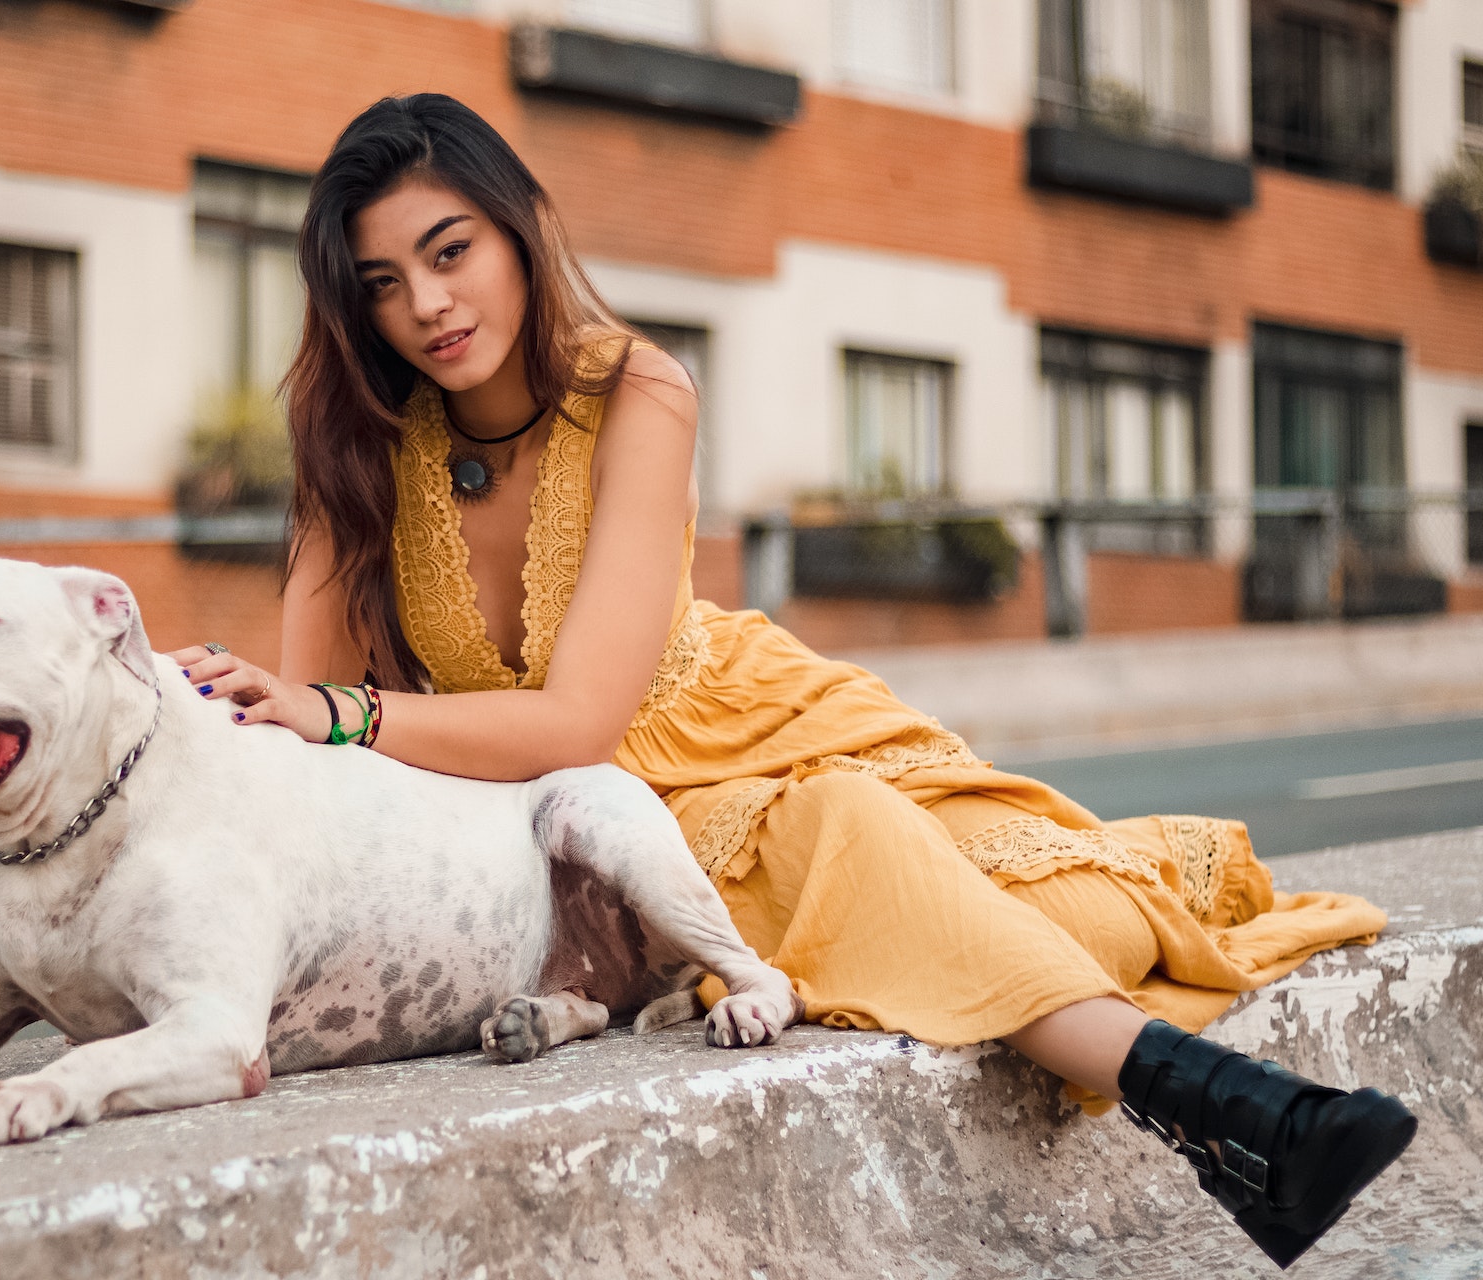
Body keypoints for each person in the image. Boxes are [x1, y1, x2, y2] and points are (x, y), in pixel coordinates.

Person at [169, 94, 1414, 1268]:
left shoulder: (635, 388)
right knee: (853, 840)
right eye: (383, 284)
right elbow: (311, 732)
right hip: (620, 810)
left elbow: (574, 705)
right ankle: (1236, 1114)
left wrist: (346, 713)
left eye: (451, 251)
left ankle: (1244, 1131)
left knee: (1087, 910)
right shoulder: (354, 448)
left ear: (518, 227)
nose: (428, 304)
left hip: (752, 709)